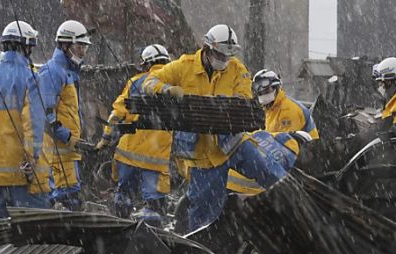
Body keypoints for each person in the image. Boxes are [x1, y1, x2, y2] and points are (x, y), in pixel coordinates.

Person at [142, 24, 287, 232]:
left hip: (234, 143)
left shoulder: (237, 69)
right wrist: (166, 89)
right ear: (207, 48)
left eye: (227, 56)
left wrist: (224, 106)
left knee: (274, 174)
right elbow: (149, 82)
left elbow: (244, 96)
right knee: (204, 215)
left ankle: (296, 209)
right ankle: (201, 253)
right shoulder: (184, 66)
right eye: (220, 54)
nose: (223, 60)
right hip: (203, 155)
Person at [0, 20, 48, 220]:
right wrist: (31, 159)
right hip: (17, 171)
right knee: (27, 228)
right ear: (27, 47)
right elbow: (33, 125)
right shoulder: (30, 77)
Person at [97, 44, 173, 226]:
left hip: (127, 155)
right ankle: (152, 238)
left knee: (123, 195)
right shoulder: (171, 85)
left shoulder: (135, 82)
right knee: (154, 206)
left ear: (145, 63)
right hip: (156, 159)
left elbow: (116, 114)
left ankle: (120, 227)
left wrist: (105, 140)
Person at [227, 69, 319, 195]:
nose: (262, 93)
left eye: (266, 90)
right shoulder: (269, 109)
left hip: (306, 159)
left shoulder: (289, 110)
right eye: (259, 91)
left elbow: (286, 146)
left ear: (276, 88)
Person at [38, 20, 91, 211]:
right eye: (79, 46)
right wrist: (65, 135)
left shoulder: (69, 73)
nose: (83, 52)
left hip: (68, 152)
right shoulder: (52, 72)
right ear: (65, 44)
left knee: (71, 199)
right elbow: (44, 113)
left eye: (84, 47)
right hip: (57, 154)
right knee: (66, 200)